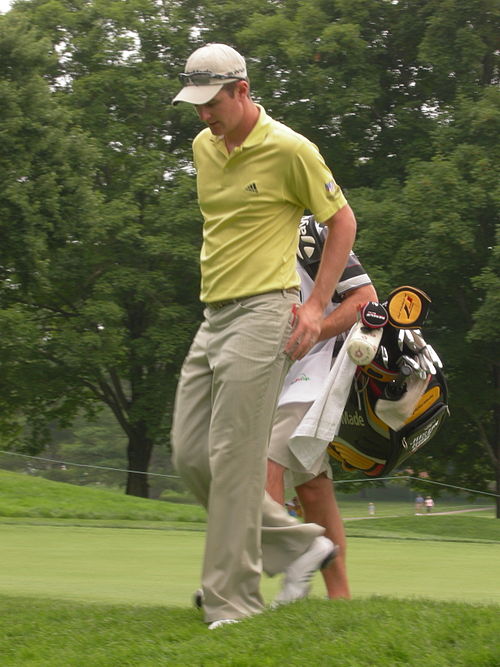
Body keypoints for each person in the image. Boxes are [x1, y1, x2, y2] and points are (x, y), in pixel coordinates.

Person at [170, 43, 357, 628]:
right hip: (214, 315)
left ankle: (233, 601)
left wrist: (317, 304)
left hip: (264, 313)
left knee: (232, 459)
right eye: (196, 103)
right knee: (189, 453)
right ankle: (299, 545)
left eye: (213, 102)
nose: (204, 115)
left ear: (242, 90)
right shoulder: (204, 147)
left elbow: (341, 221)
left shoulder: (290, 149)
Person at [266, 218, 376, 599]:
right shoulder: (235, 232)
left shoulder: (311, 231)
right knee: (311, 488)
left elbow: (365, 299)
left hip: (317, 367)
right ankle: (340, 598)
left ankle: (240, 582)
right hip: (266, 374)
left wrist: (314, 331)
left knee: (265, 462)